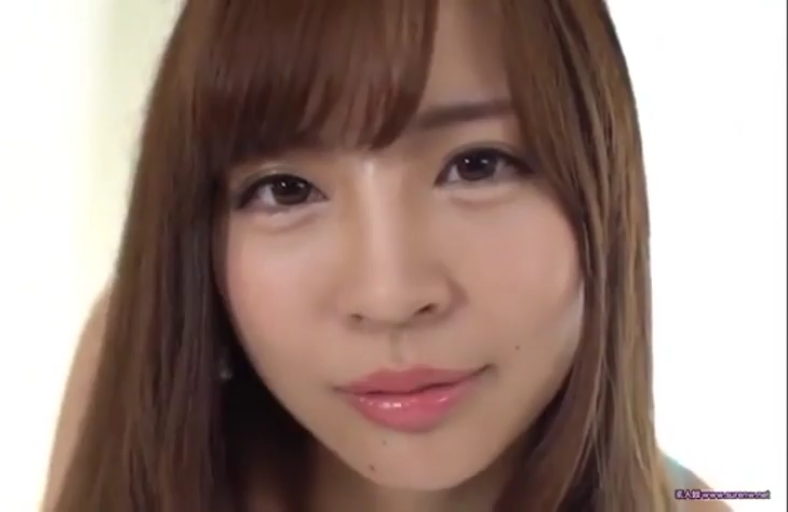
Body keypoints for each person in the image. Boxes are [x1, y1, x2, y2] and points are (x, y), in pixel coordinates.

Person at [44, 1, 732, 511]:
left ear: (604, 183)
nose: (390, 295)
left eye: (478, 165)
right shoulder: (145, 407)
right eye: (287, 190)